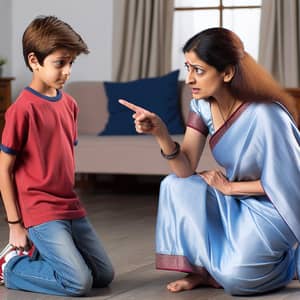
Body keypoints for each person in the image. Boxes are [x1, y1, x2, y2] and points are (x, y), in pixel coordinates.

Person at [119, 27, 300, 296]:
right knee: (174, 185)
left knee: (238, 282)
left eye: (199, 70)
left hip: (275, 208)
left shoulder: (267, 115)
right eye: (188, 68)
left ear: (227, 73)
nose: (190, 79)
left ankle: (291, 264)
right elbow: (185, 169)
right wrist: (161, 133)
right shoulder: (202, 106)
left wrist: (230, 189)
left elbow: (290, 184)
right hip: (239, 200)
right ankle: (201, 272)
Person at [0, 16, 114, 296]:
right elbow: (4, 170)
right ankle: (11, 266)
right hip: (40, 212)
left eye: (71, 63)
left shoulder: (70, 105)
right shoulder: (21, 110)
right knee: (79, 282)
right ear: (34, 61)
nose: (67, 71)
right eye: (60, 63)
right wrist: (16, 225)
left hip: (70, 207)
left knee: (103, 275)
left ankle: (42, 256)